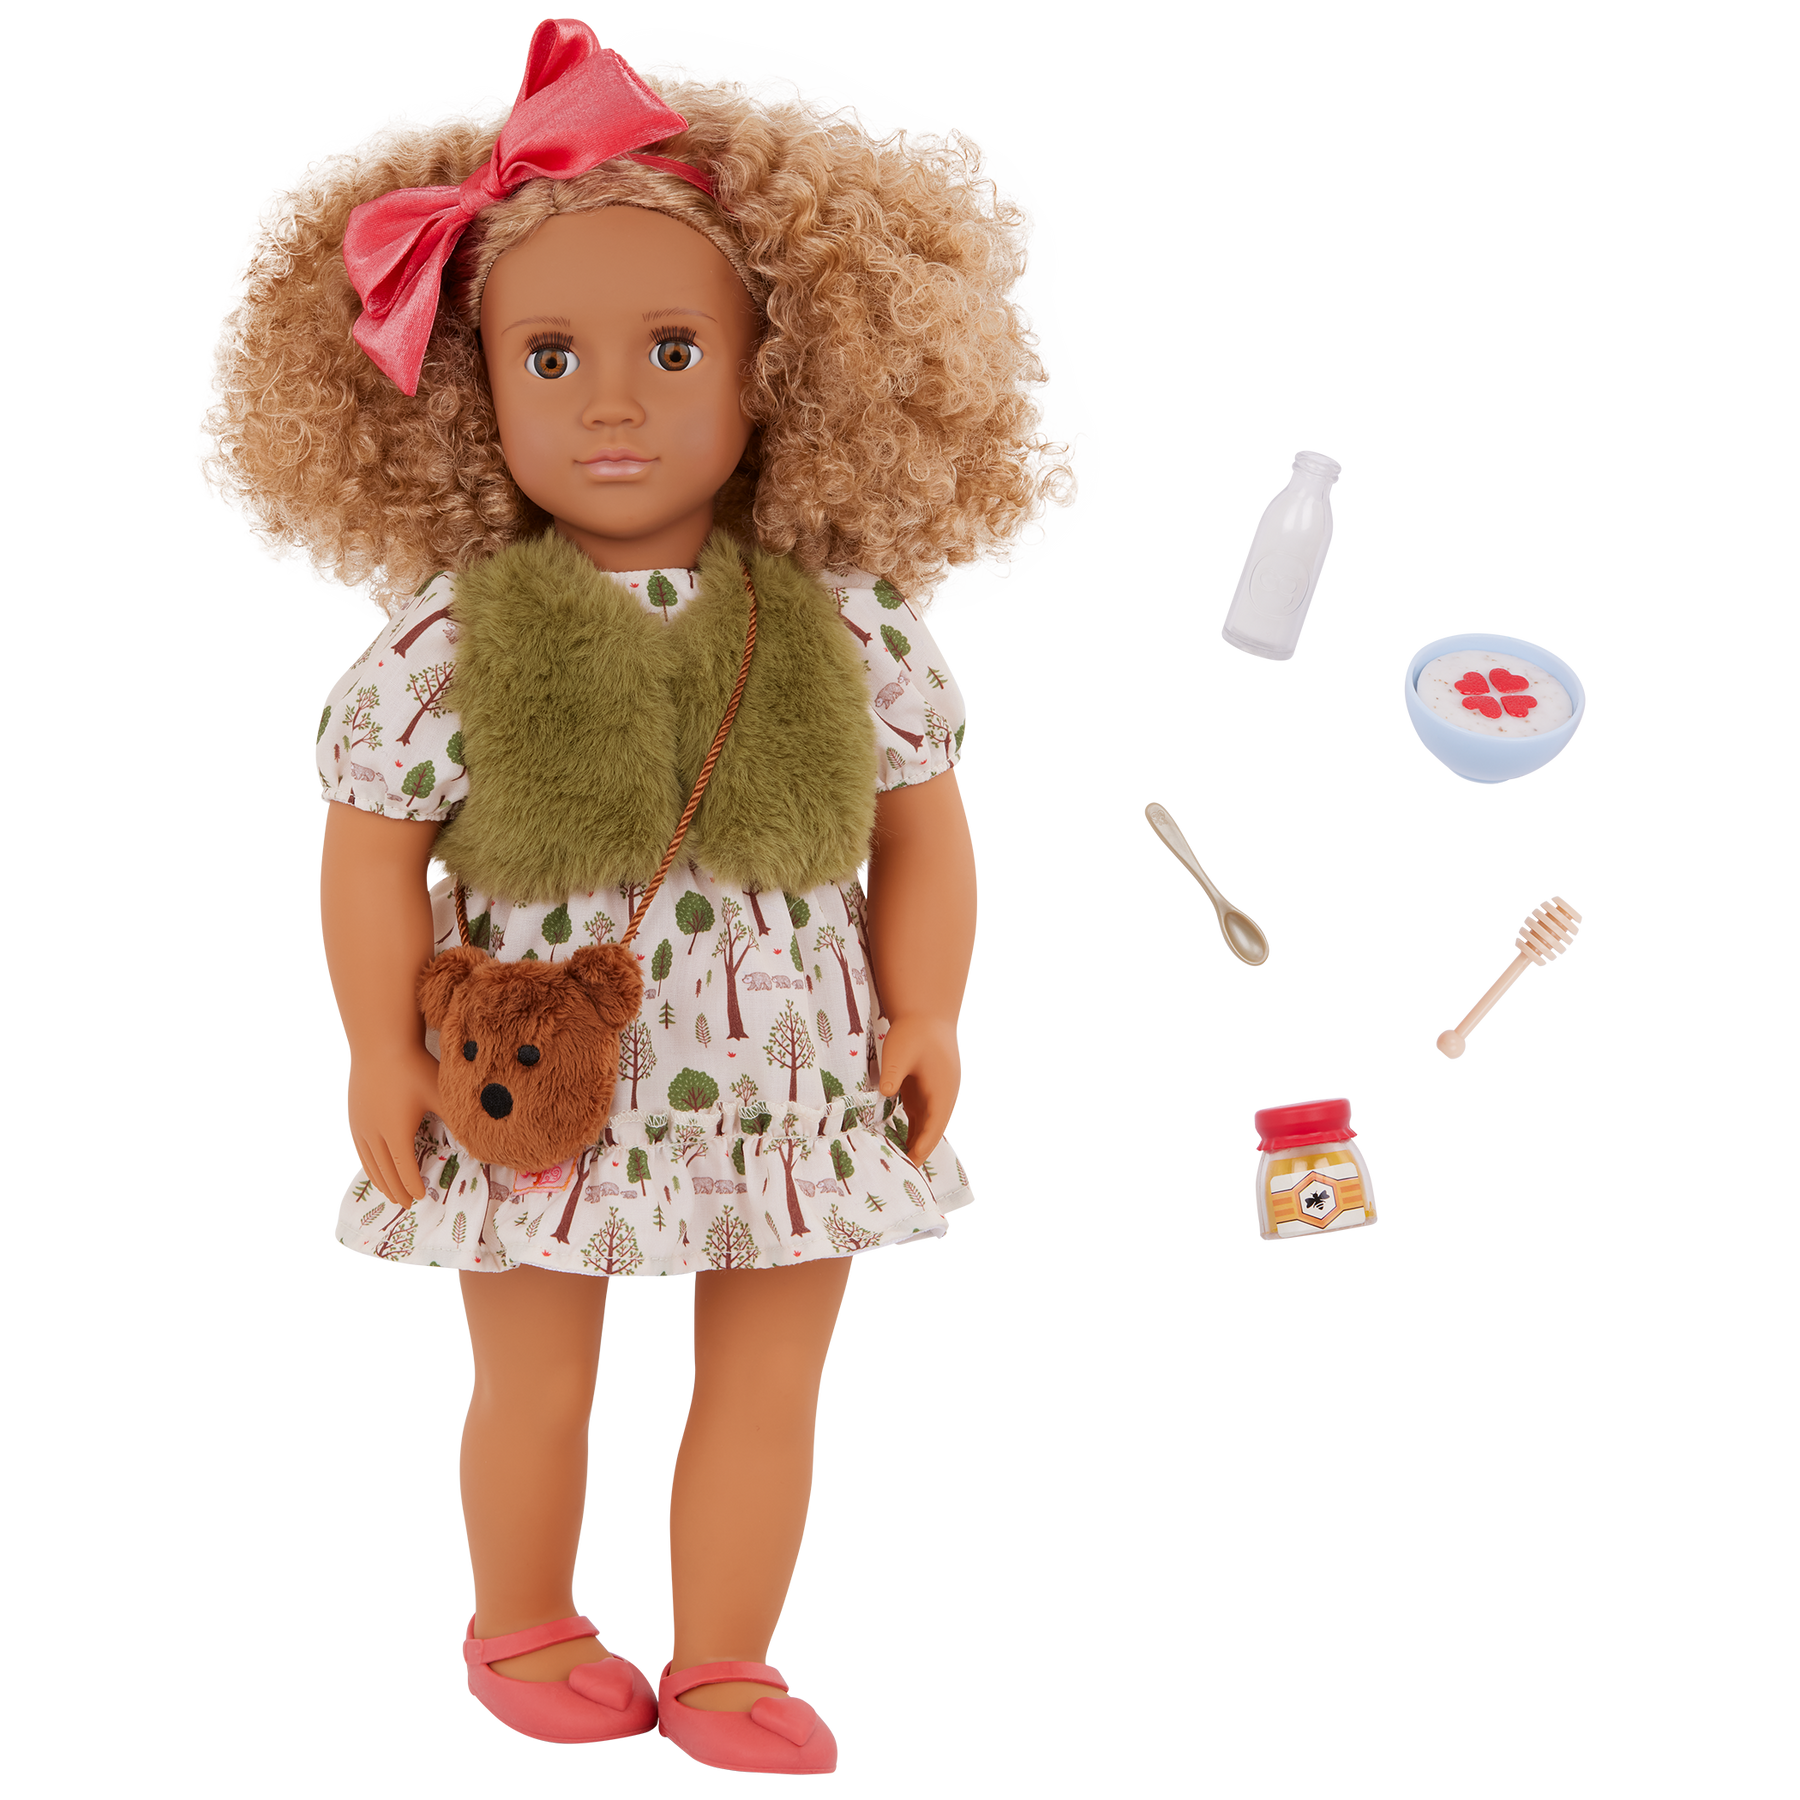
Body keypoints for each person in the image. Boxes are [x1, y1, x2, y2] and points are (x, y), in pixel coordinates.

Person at [195, 19, 1077, 1774]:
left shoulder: (850, 626)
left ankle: (728, 1659)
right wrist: (377, 1043)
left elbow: (927, 830)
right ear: (471, 391)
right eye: (550, 356)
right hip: (533, 1081)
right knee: (535, 1375)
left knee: (770, 1385)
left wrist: (927, 1007)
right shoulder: (444, 646)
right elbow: (367, 844)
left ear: (779, 373)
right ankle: (522, 1619)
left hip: (796, 1078)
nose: (613, 402)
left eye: (675, 349)